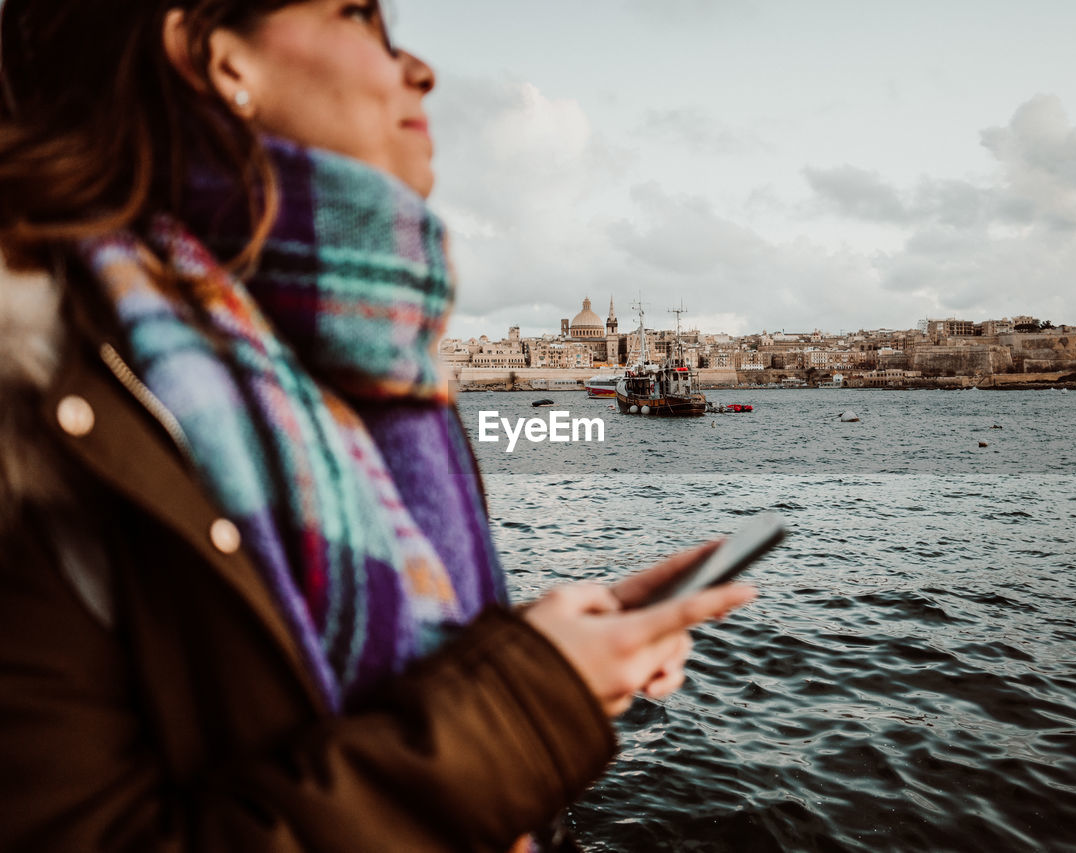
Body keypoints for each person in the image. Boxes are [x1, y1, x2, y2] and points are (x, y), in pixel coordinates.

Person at [0, 1, 756, 850]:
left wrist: (547, 653)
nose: (421, 69)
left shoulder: (361, 371)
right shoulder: (34, 391)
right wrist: (524, 703)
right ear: (217, 57)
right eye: (360, 15)